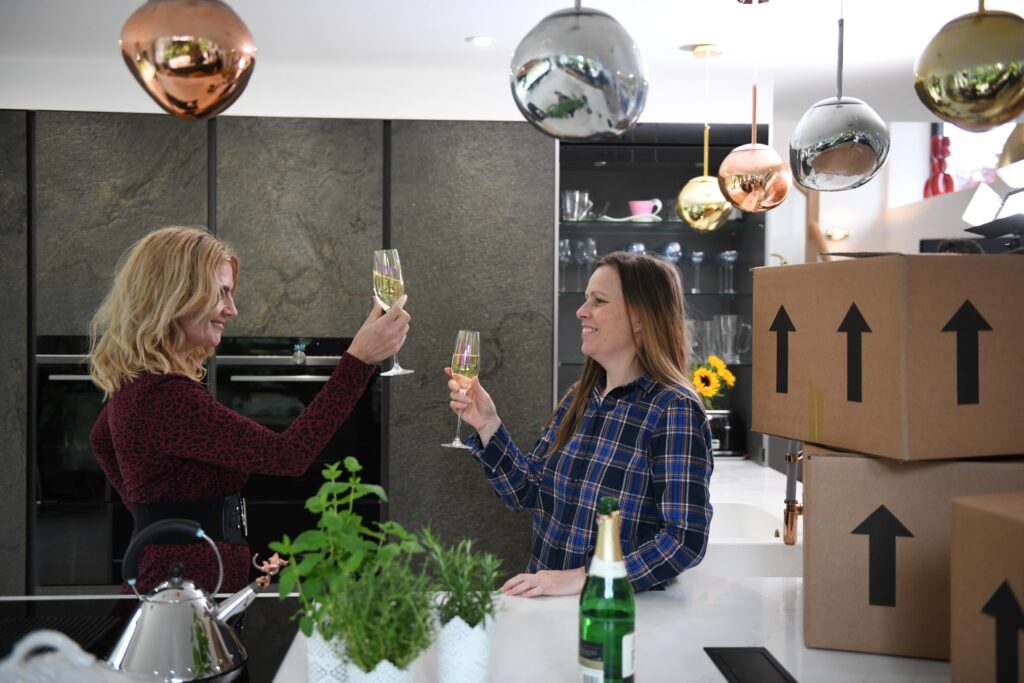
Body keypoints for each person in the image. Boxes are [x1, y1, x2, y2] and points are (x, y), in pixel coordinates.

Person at [89, 226, 409, 593]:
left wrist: (156, 521)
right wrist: (358, 361)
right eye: (221, 293)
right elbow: (288, 456)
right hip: (181, 584)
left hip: (178, 573)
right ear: (176, 295)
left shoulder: (146, 386)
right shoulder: (165, 395)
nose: (232, 309)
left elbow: (100, 440)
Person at [446, 251, 713, 597]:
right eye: (587, 298)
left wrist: (589, 576)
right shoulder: (581, 397)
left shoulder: (674, 410)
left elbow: (684, 539)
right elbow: (527, 492)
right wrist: (488, 425)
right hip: (548, 605)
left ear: (640, 317)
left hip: (611, 614)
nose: (581, 311)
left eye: (598, 301)